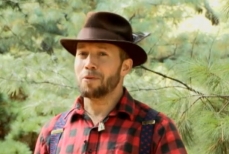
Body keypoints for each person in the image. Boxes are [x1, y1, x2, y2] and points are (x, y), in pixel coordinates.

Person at [34, 11, 187, 154]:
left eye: (102, 54)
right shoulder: (53, 132)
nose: (89, 63)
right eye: (82, 54)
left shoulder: (156, 130)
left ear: (125, 66)